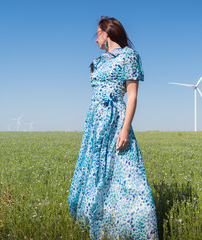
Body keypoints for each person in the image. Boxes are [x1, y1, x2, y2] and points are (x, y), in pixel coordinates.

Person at [68, 16, 159, 240]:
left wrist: (125, 128)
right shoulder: (98, 62)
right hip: (95, 122)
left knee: (126, 171)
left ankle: (135, 225)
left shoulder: (129, 57)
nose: (95, 39)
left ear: (106, 33)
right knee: (97, 170)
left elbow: (132, 96)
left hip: (116, 118)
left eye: (97, 34)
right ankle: (101, 217)